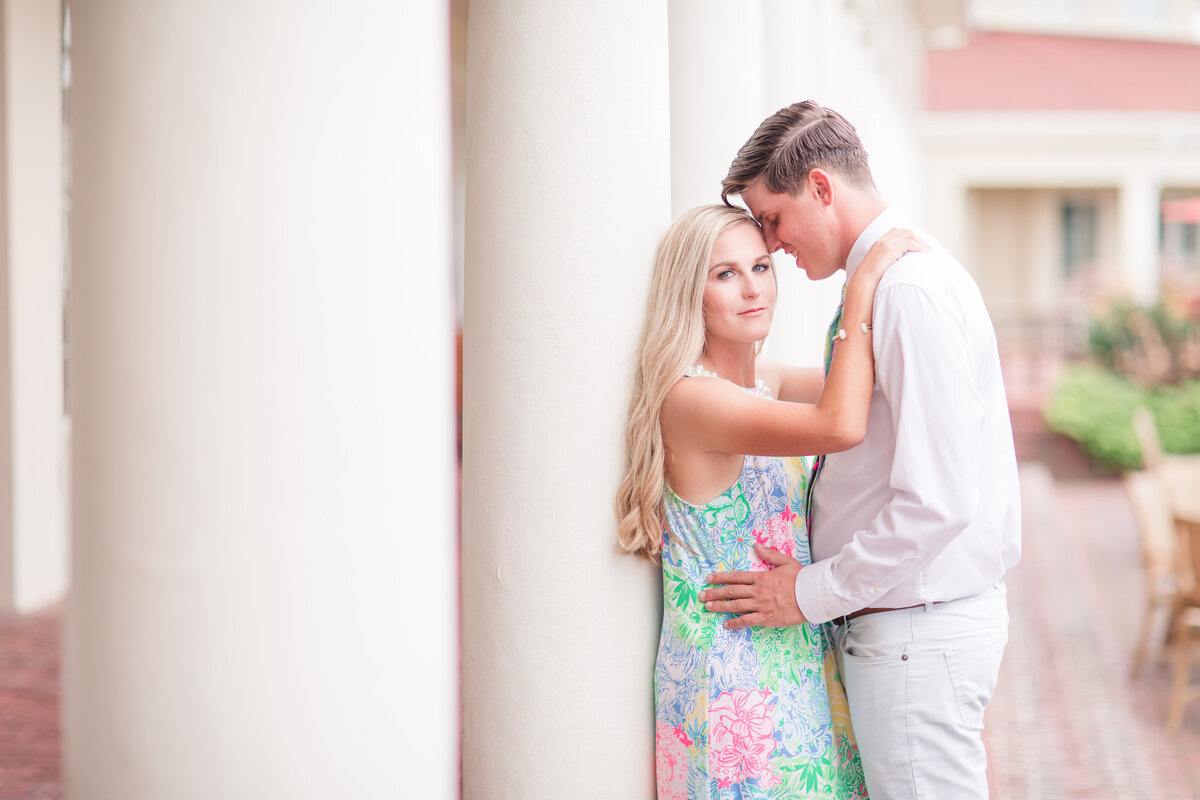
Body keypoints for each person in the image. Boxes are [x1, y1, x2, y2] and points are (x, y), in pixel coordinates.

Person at [700, 101, 1022, 799]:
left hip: (916, 635)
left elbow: (938, 501)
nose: (773, 244)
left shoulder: (906, 291)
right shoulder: (891, 281)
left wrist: (809, 592)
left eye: (773, 219)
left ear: (820, 187)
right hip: (908, 630)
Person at [615, 203, 924, 798]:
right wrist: (859, 287)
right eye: (725, 274)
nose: (753, 288)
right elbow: (839, 423)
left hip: (794, 655)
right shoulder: (693, 400)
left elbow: (874, 389)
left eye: (760, 266)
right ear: (690, 293)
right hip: (734, 682)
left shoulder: (767, 383)